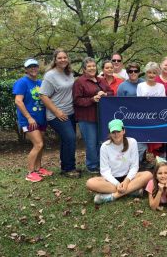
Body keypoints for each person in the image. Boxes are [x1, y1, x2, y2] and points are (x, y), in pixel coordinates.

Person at [86, 119, 153, 204]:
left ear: (123, 131)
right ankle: (132, 191)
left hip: (129, 178)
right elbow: (104, 171)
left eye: (118, 131)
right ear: (110, 133)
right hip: (111, 180)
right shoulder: (105, 146)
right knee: (90, 183)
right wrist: (117, 184)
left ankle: (113, 196)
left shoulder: (132, 142)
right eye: (113, 132)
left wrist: (126, 181)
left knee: (149, 175)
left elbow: (134, 166)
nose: (116, 134)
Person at [40, 49, 80, 178]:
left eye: (65, 57)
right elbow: (43, 96)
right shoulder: (50, 75)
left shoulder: (69, 73)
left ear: (68, 59)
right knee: (70, 138)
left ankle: (67, 167)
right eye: (59, 58)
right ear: (55, 60)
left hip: (70, 113)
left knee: (66, 141)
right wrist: (57, 112)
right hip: (57, 115)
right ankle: (69, 169)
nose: (63, 60)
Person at [13, 58, 53, 182]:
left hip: (41, 119)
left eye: (35, 66)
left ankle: (38, 168)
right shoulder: (22, 82)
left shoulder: (40, 83)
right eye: (30, 67)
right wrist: (29, 118)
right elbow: (18, 101)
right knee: (38, 144)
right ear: (26, 69)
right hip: (29, 120)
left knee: (41, 144)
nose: (33, 68)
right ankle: (30, 173)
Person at [73, 57, 109, 173]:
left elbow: (111, 92)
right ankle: (92, 165)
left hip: (101, 117)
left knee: (102, 141)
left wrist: (105, 94)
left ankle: (101, 164)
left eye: (93, 66)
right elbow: (76, 100)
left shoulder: (101, 80)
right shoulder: (79, 82)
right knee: (91, 143)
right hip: (87, 117)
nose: (92, 68)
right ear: (84, 69)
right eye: (89, 66)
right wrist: (92, 99)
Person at [137, 62, 166, 164]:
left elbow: (163, 104)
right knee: (140, 146)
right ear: (146, 73)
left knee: (159, 147)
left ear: (157, 74)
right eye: (149, 72)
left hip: (158, 121)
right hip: (144, 121)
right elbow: (139, 104)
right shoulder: (140, 86)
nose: (151, 75)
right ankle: (136, 167)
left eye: (154, 73)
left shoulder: (161, 87)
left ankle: (161, 166)